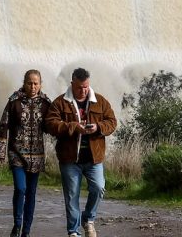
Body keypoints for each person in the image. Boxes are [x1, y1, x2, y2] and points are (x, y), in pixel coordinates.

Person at [45, 68, 117, 237]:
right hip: (70, 158)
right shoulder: (60, 103)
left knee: (99, 188)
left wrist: (98, 127)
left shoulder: (100, 101)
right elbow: (50, 124)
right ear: (72, 83)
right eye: (79, 87)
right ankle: (73, 231)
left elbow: (112, 122)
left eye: (85, 87)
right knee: (71, 196)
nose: (83, 90)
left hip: (94, 158)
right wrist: (73, 127)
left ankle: (88, 219)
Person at [0, 69, 52, 237]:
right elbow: (4, 125)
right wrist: (0, 152)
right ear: (24, 83)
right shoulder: (14, 101)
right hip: (16, 153)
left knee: (31, 193)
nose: (33, 86)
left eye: (36, 83)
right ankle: (17, 225)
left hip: (37, 156)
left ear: (40, 85)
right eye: (29, 83)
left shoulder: (47, 103)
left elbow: (52, 126)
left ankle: (26, 231)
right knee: (21, 188)